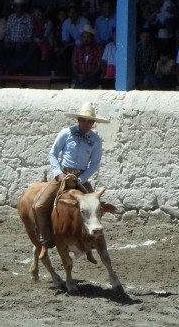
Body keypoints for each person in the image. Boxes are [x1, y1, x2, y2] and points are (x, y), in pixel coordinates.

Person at [33, 101, 110, 248]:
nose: (86, 124)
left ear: (93, 123)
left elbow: (94, 164)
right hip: (62, 175)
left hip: (81, 178)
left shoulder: (95, 141)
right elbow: (53, 154)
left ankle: (94, 238)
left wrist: (80, 179)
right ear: (79, 120)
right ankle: (46, 235)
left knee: (96, 206)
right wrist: (58, 173)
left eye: (89, 121)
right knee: (39, 205)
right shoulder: (65, 133)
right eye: (83, 120)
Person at [71, 25, 103, 89]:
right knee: (76, 89)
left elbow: (99, 66)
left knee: (84, 87)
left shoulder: (98, 49)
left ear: (92, 37)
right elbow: (74, 64)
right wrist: (78, 75)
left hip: (93, 77)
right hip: (80, 77)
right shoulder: (77, 49)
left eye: (88, 37)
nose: (86, 39)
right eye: (84, 37)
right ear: (81, 38)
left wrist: (89, 76)